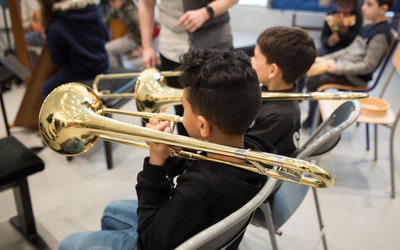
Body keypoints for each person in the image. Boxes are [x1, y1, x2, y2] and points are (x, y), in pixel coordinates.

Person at [58, 49, 276, 250]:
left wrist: (155, 164)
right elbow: (200, 165)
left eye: (184, 106)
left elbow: (149, 240)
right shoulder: (252, 151)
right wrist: (171, 152)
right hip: (199, 226)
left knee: (68, 243)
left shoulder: (198, 192)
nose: (181, 114)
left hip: (155, 239)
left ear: (202, 126)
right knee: (111, 211)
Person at [139, 0, 238, 136]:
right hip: (172, 48)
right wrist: (146, 46)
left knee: (220, 109)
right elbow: (145, 4)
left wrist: (206, 12)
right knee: (182, 111)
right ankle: (188, 156)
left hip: (215, 42)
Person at [302, 0, 396, 128]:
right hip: (346, 67)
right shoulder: (369, 26)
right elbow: (349, 49)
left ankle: (314, 119)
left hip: (356, 77)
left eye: (369, 4)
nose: (363, 8)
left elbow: (368, 66)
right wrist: (326, 58)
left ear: (383, 9)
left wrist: (337, 68)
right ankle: (316, 116)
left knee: (314, 80)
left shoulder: (380, 34)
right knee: (312, 69)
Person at [249, 26, 317, 157]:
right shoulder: (273, 93)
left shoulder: (278, 116)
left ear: (272, 71)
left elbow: (241, 155)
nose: (251, 60)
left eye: (256, 57)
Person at [40, 0, 110, 100]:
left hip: (81, 73)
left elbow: (59, 60)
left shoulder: (55, 24)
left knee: (46, 89)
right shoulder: (90, 9)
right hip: (103, 66)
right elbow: (106, 35)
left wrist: (47, 37)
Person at [105, 0, 142, 67]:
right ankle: (120, 70)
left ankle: (115, 73)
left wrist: (142, 46)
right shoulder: (118, 9)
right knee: (111, 48)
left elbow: (140, 28)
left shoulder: (130, 10)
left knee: (108, 49)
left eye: (113, 1)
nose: (110, 4)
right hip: (129, 36)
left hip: (135, 39)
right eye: (109, 1)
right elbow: (107, 20)